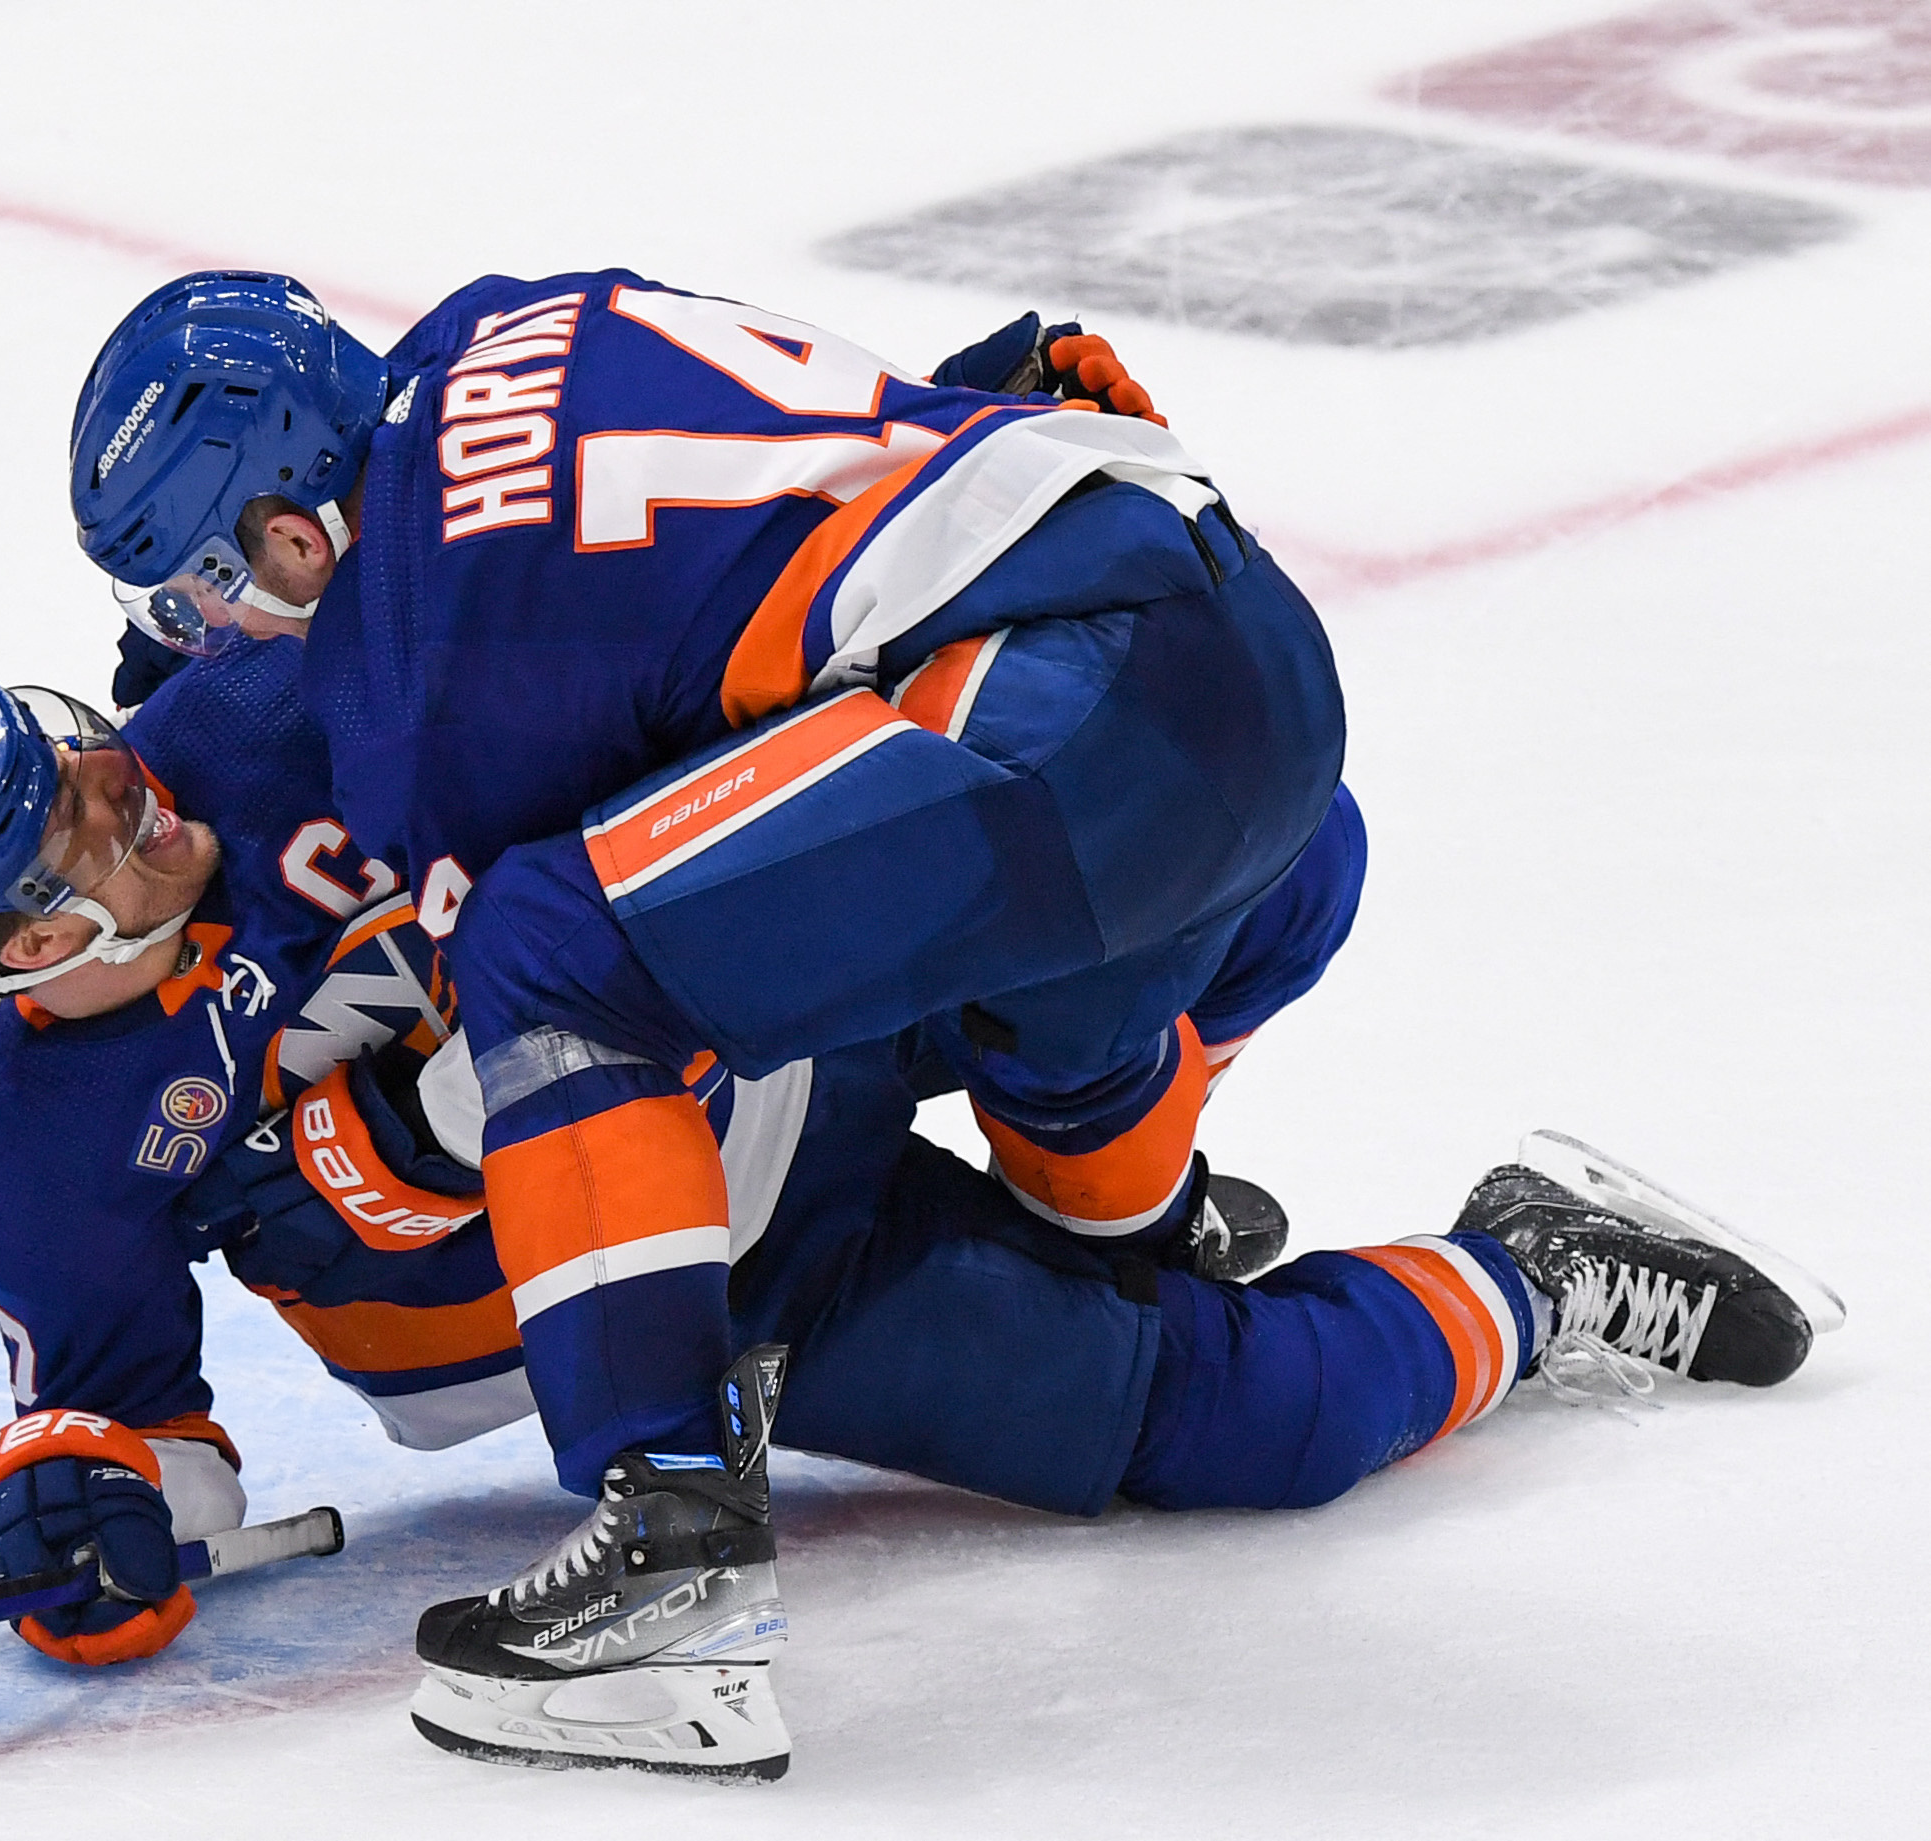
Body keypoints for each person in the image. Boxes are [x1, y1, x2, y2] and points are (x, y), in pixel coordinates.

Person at [0, 652, 1827, 1779]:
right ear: (24, 950)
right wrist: (86, 1521)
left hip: (752, 1011)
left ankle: (1126, 1186)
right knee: (1251, 1434)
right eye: (81, 826)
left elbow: (579, 675)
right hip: (736, 1293)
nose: (133, 786)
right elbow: (122, 1421)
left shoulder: (250, 716)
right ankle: (1532, 1271)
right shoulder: (32, 1155)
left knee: (1234, 863)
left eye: (84, 752)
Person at [65, 273, 1357, 1726]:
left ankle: (670, 1534)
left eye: (200, 590)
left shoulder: (415, 688)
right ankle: (1141, 1228)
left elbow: (550, 934)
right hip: (1229, 643)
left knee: (542, 956)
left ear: (295, 535)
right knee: (1085, 1031)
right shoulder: (493, 321)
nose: (203, 626)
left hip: (1056, 717)